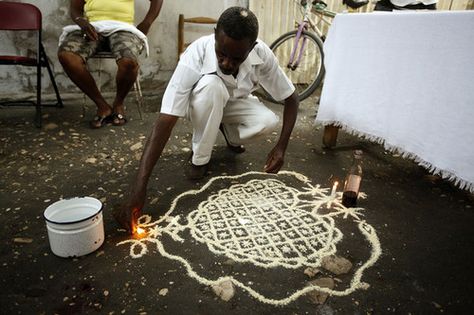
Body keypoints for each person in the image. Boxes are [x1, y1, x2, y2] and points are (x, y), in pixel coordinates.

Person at [114, 6, 299, 233]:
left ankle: (224, 129)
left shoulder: (262, 54)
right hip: (203, 103)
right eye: (222, 53)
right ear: (215, 35)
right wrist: (138, 189)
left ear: (251, 48)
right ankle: (199, 159)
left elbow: (291, 99)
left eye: (236, 58)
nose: (227, 63)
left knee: (268, 121)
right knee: (212, 86)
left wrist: (281, 147)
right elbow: (165, 120)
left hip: (235, 104)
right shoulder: (196, 54)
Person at [58, 0, 163, 128]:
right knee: (67, 56)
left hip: (122, 28)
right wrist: (82, 22)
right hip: (92, 27)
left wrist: (147, 23)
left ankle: (118, 103)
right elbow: (75, 9)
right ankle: (102, 105)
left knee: (128, 62)